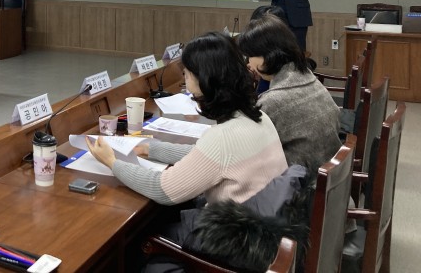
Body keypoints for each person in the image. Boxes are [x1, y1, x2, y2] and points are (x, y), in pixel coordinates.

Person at [87, 32, 287, 210]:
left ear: (205, 79)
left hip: (235, 234)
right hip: (265, 224)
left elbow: (161, 189)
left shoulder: (222, 137)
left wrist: (112, 162)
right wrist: (150, 149)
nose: (185, 82)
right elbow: (206, 155)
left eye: (187, 74)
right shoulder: (258, 117)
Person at [237, 14, 341, 171]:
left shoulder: (273, 101)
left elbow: (244, 150)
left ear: (266, 56)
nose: (248, 63)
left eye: (249, 56)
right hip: (328, 175)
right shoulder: (308, 77)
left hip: (301, 182)